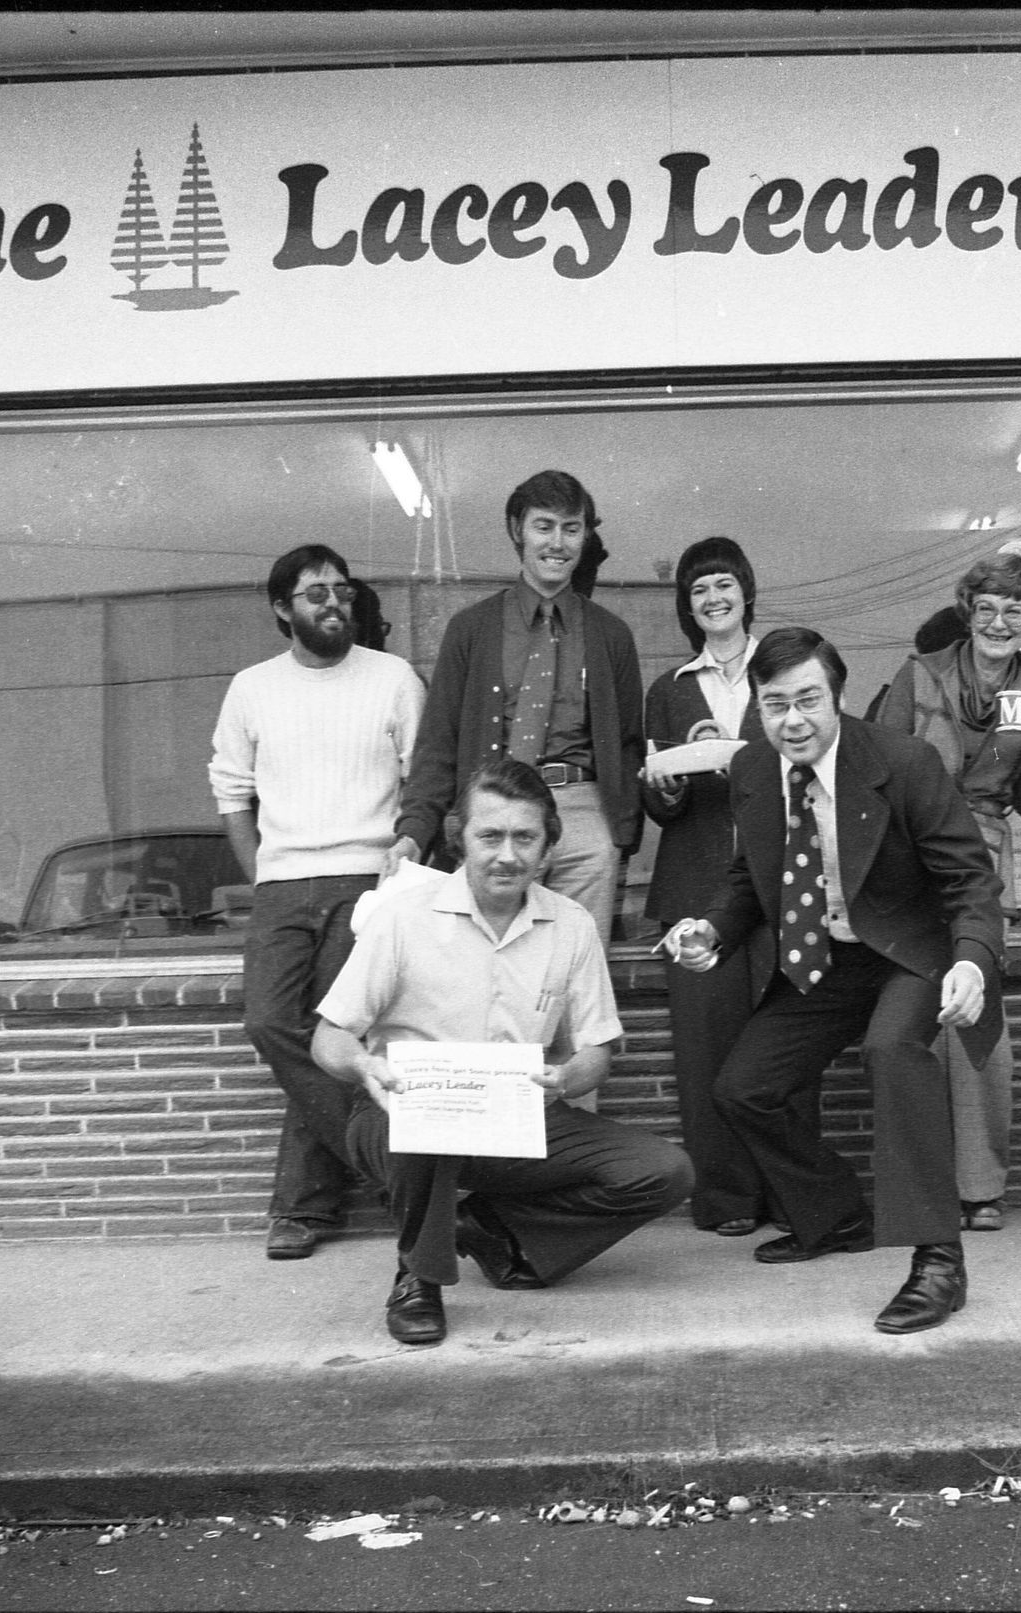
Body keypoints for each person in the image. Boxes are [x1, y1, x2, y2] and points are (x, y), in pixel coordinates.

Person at [662, 627, 1003, 1336]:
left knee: (893, 1050)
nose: (792, 721)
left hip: (909, 950)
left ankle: (940, 1259)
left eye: (808, 700)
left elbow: (970, 879)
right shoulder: (754, 769)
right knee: (744, 1088)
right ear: (756, 705)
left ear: (837, 696)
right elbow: (748, 878)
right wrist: (713, 931)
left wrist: (971, 960)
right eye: (775, 703)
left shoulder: (903, 762)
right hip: (825, 960)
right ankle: (836, 1215)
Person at [313, 760, 695, 1345]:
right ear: (460, 839)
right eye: (490, 836)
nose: (507, 855)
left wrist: (567, 1078)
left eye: (525, 838)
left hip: (518, 1121)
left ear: (547, 848)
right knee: (423, 1122)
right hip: (401, 1116)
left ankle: (488, 1230)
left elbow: (596, 1048)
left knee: (662, 1172)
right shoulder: (403, 919)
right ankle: (418, 1278)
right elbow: (329, 1037)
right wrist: (363, 1064)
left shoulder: (570, 925)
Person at [209, 543, 426, 1260]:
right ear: (282, 608)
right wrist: (263, 874)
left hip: (367, 879)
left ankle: (302, 1208)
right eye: (315, 594)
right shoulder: (252, 688)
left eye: (342, 590)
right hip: (282, 885)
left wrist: (404, 857)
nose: (334, 604)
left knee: (338, 1034)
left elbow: (423, 779)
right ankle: (395, 1167)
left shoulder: (393, 678)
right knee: (271, 1022)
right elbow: (231, 791)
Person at [872, 547, 1021, 1232]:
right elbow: (876, 767)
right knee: (913, 1017)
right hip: (910, 854)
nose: (999, 621)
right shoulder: (919, 674)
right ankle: (926, 1184)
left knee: (977, 1025)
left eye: (1015, 610)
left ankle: (981, 1189)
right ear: (968, 612)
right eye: (987, 608)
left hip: (980, 863)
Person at [390, 470, 646, 950]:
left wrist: (618, 833)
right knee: (488, 962)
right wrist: (413, 834)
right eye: (543, 526)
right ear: (517, 530)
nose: (558, 543)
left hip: (582, 817)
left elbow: (629, 743)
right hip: (493, 811)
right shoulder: (471, 629)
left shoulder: (611, 634)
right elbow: (438, 744)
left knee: (575, 967)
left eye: (571, 529)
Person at [640, 536, 777, 1237]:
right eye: (699, 589)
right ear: (686, 607)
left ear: (746, 591)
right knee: (705, 1050)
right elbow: (659, 802)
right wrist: (664, 787)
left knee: (784, 1040)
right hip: (694, 885)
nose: (713, 598)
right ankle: (726, 1198)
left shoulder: (782, 670)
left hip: (778, 883)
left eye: (724, 584)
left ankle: (788, 1195)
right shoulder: (667, 690)